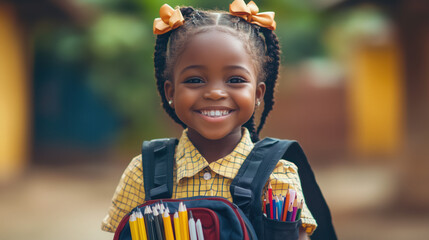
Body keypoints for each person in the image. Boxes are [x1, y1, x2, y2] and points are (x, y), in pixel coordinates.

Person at [102, 0, 318, 238]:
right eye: (195, 80)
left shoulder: (277, 175)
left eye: (235, 80)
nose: (215, 92)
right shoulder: (143, 172)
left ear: (258, 94)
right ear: (170, 92)